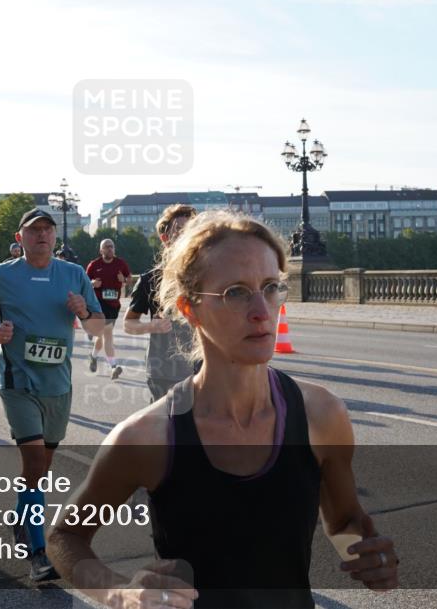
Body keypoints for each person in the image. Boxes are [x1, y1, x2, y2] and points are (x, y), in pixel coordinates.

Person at [48, 211, 400, 608]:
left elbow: (344, 521)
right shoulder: (148, 436)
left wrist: (369, 554)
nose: (262, 311)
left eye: (271, 287)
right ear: (189, 309)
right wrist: (119, 592)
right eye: (235, 292)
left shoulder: (321, 414)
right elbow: (65, 536)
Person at [0, 208, 104, 583]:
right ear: (20, 236)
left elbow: (97, 328)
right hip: (17, 381)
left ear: (54, 236)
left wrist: (84, 311)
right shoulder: (0, 275)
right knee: (32, 463)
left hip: (58, 384)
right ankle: (38, 553)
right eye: (34, 230)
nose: (42, 235)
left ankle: (19, 519)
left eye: (47, 229)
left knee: (41, 469)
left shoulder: (74, 275)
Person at [126, 204, 199, 401]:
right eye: (179, 230)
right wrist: (152, 325)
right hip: (164, 374)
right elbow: (129, 324)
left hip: (202, 370)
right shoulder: (150, 280)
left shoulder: (208, 277)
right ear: (165, 238)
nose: (186, 235)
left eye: (192, 229)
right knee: (167, 429)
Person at [85, 239, 132, 380]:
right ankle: (113, 366)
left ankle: (93, 356)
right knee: (107, 334)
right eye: (106, 247)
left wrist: (123, 279)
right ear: (101, 250)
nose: (110, 249)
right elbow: (85, 283)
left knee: (102, 335)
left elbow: (129, 279)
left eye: (111, 247)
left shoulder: (120, 264)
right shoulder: (94, 265)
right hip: (98, 305)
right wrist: (92, 283)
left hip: (113, 305)